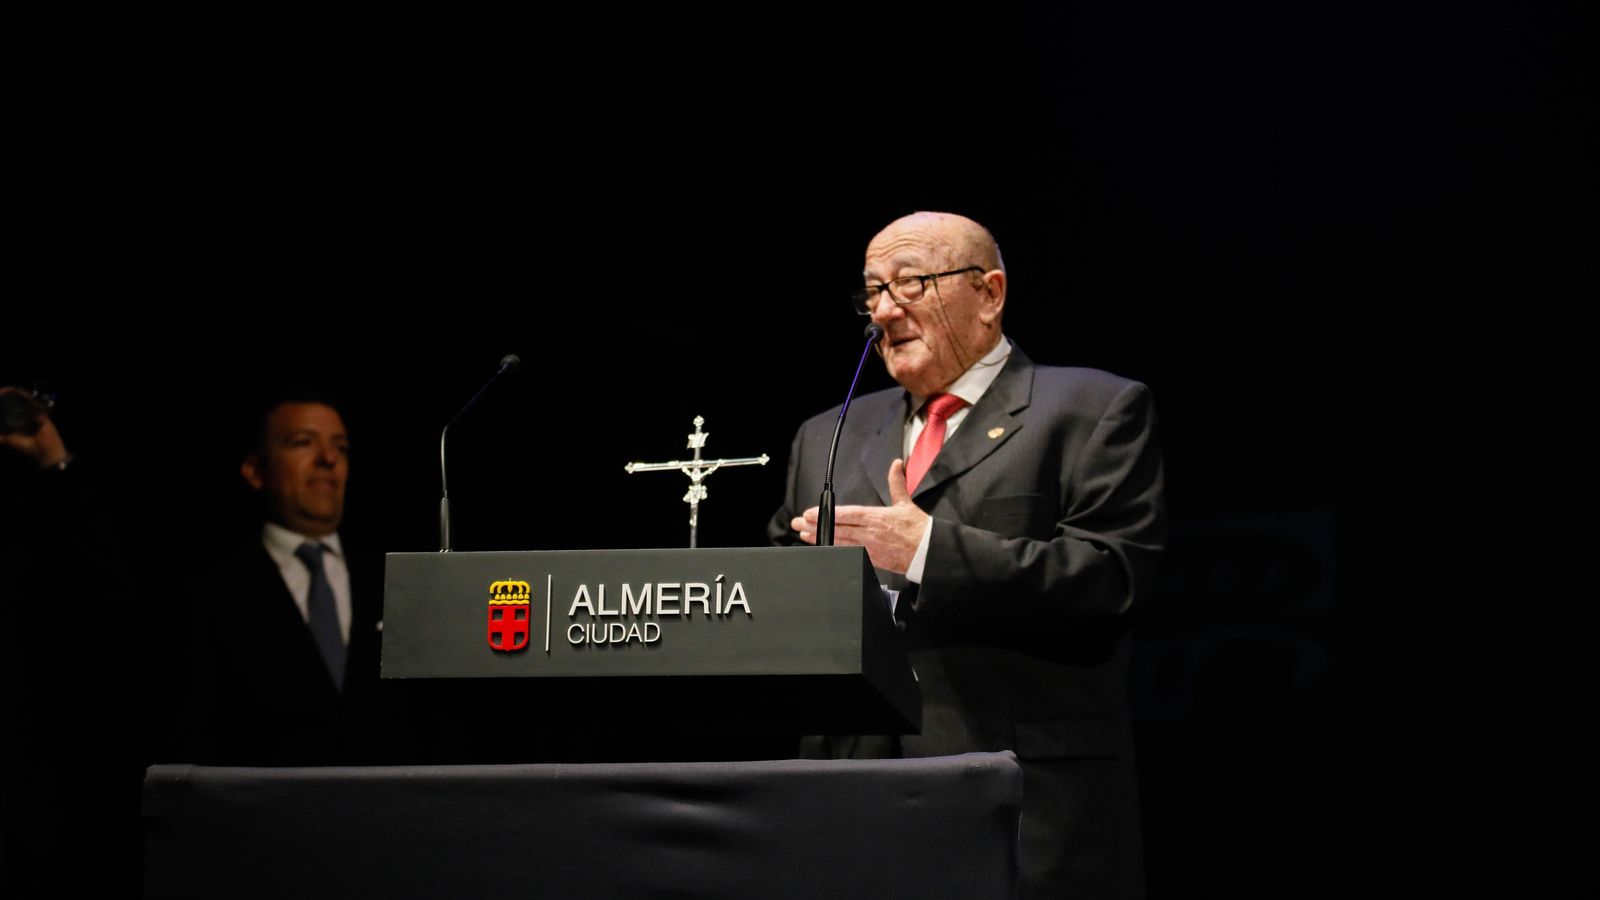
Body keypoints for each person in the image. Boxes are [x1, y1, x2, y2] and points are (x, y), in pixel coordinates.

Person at [768, 212, 1166, 899]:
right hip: (846, 807)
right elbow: (781, 591)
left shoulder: (1091, 411)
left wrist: (928, 550)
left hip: (1021, 804)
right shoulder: (828, 435)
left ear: (989, 293)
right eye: (872, 292)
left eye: (910, 284)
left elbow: (1110, 582)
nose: (885, 310)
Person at [183, 392, 402, 765]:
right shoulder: (212, 590)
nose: (328, 459)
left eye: (341, 448)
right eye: (303, 442)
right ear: (255, 470)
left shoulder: (393, 581)